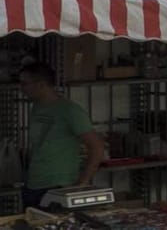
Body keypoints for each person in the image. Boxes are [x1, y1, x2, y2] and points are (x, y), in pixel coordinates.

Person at [19, 64, 104, 209]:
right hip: (33, 184)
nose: (21, 88)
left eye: (25, 83)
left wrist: (82, 183)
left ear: (41, 85)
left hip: (59, 185)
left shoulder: (70, 111)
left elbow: (96, 147)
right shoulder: (36, 107)